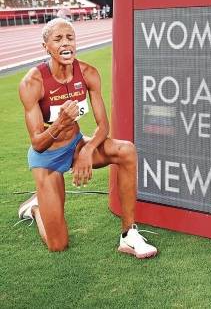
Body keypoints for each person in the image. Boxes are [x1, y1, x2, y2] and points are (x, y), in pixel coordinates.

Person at [17, 18, 157, 258]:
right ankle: (36, 208)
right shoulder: (33, 82)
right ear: (46, 47)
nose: (65, 43)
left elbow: (103, 126)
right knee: (58, 245)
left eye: (70, 38)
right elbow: (38, 144)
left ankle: (129, 234)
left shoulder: (88, 73)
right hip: (47, 158)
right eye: (58, 39)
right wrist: (60, 122)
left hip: (76, 145)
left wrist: (86, 150)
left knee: (126, 150)